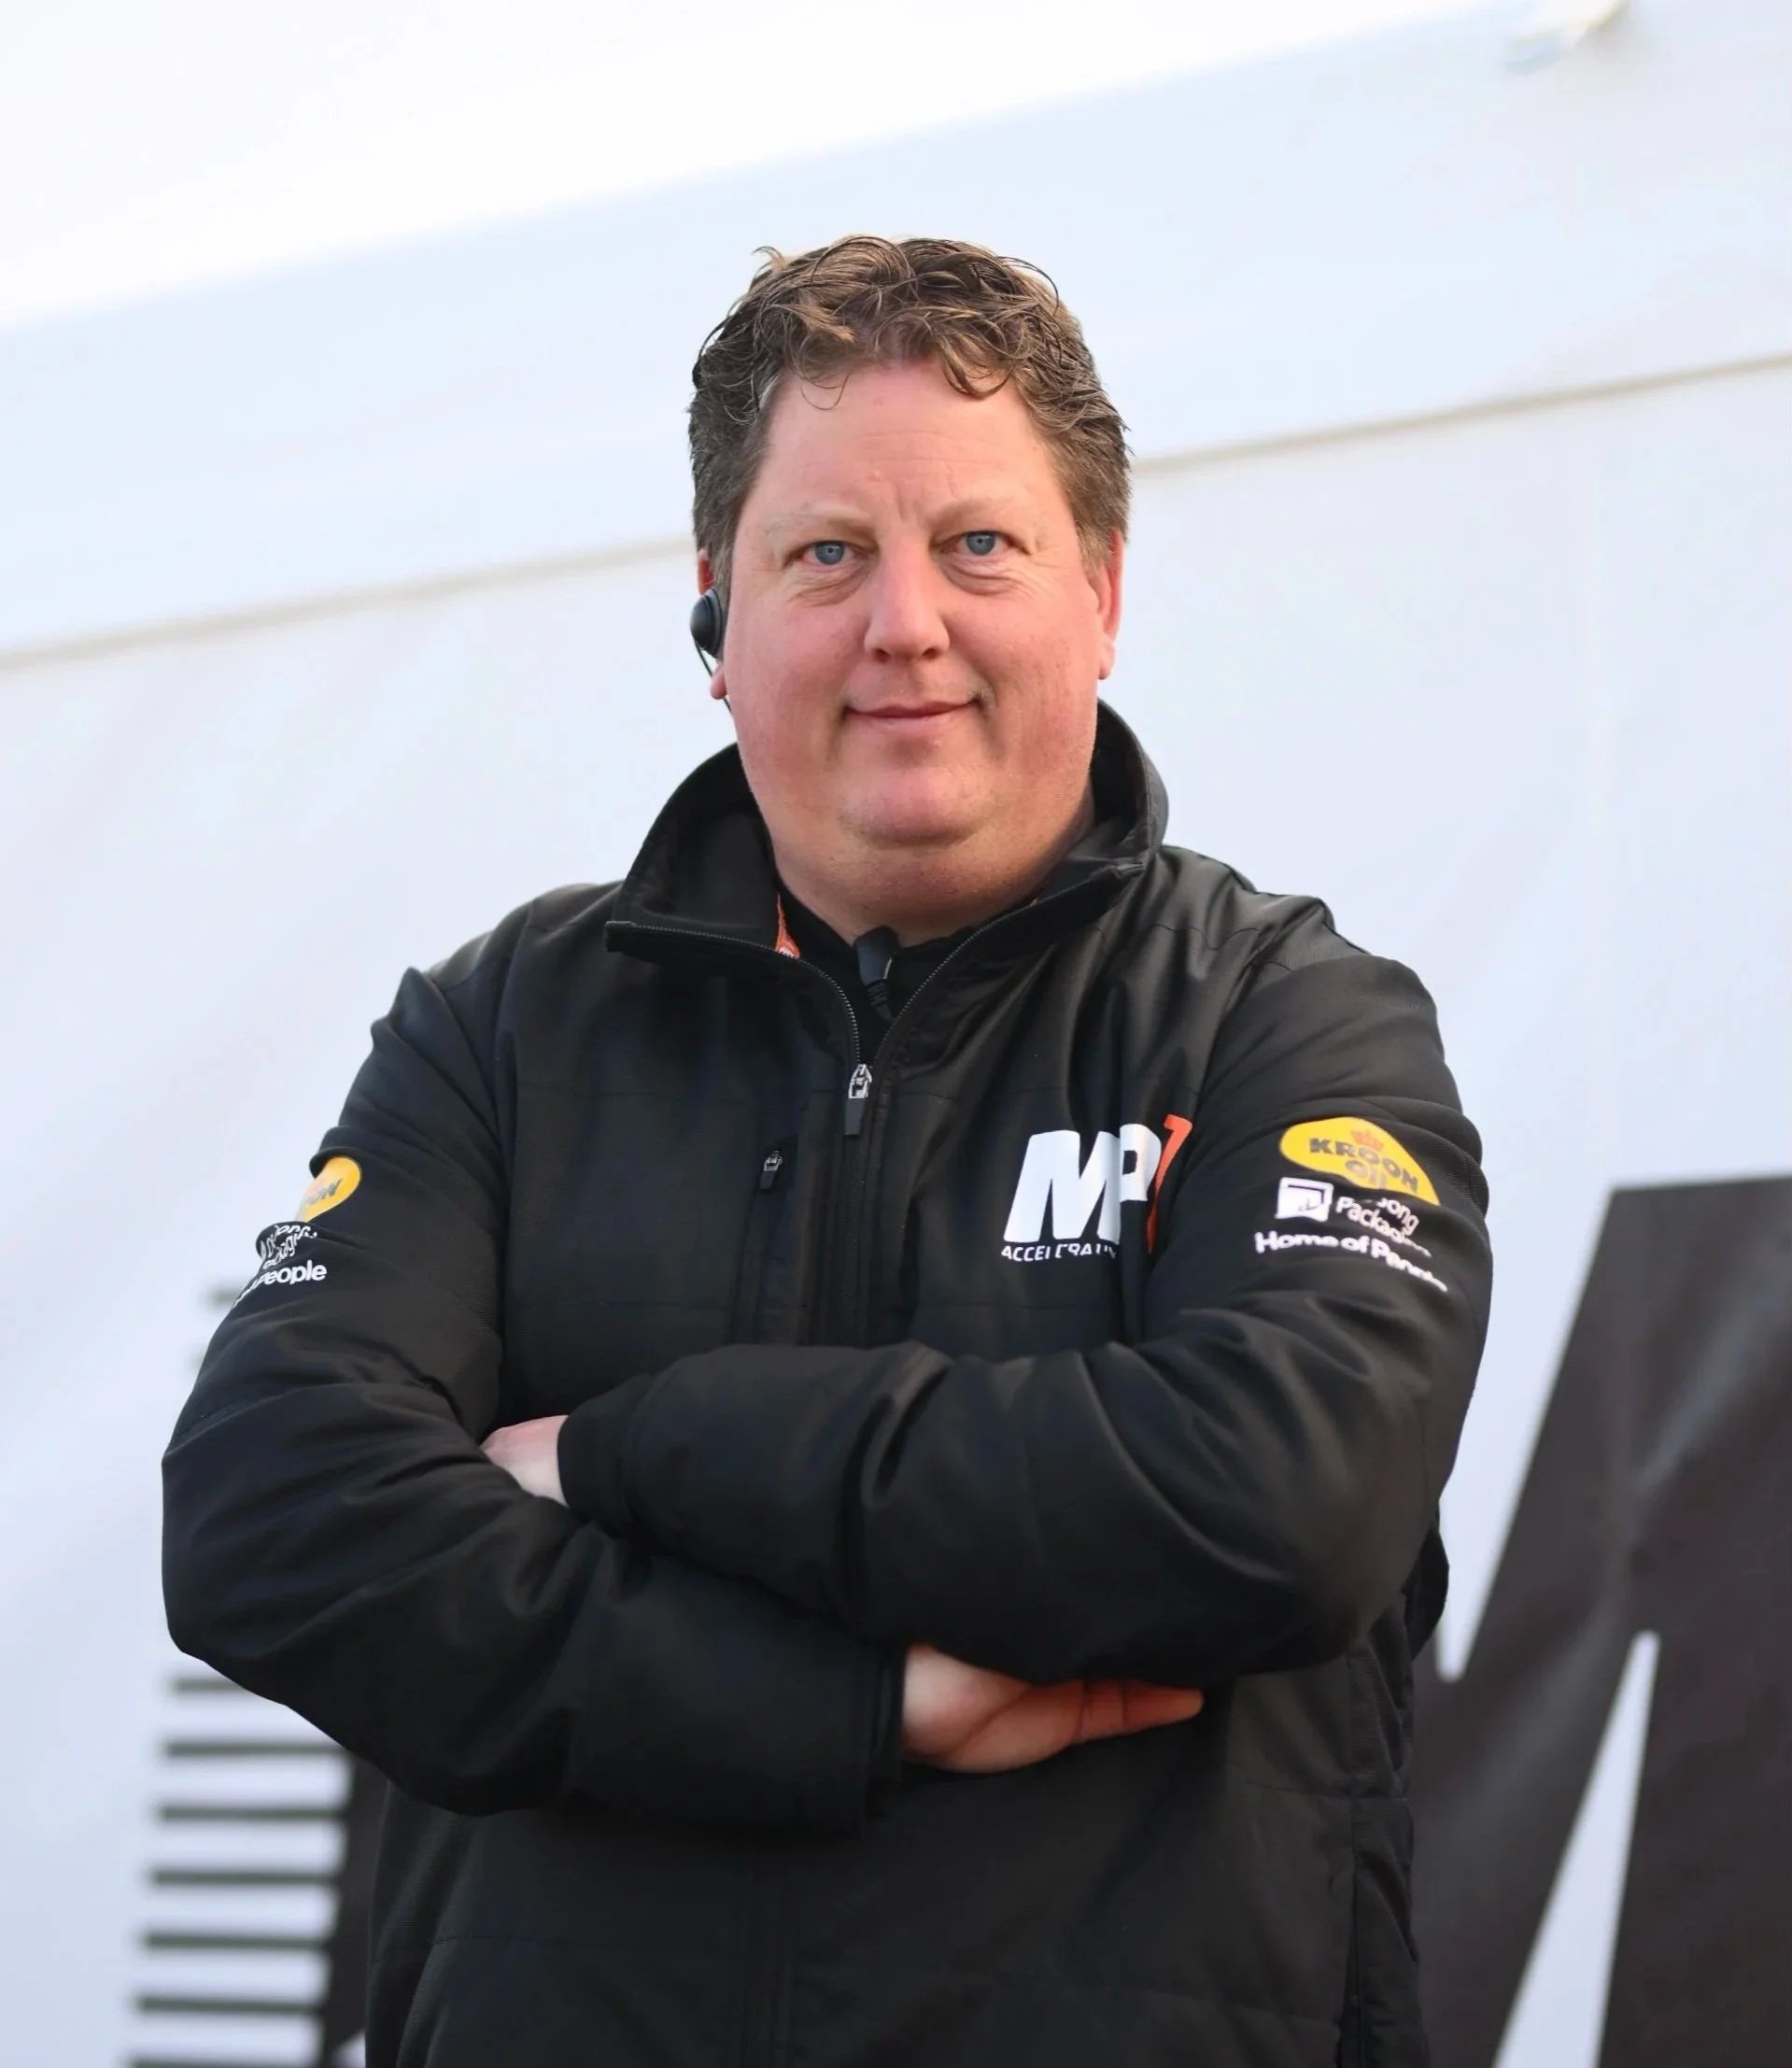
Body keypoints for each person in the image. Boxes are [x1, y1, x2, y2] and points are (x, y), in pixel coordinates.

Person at [162, 234, 1492, 2067]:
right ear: (718, 616)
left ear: (1101, 593)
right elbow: (270, 1523)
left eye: (979, 545)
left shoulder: (1286, 1014)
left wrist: (635, 1445)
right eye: (825, 554)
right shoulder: (503, 1031)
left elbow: (1279, 1506)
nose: (907, 624)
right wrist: (855, 1703)